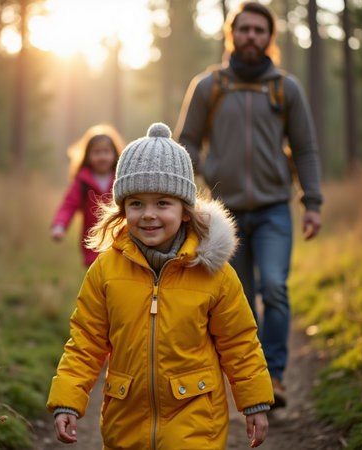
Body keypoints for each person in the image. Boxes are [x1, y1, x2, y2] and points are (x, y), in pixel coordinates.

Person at [47, 122, 274, 449]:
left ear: (185, 210)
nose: (148, 214)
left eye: (162, 203)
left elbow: (239, 341)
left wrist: (254, 402)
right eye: (136, 203)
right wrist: (67, 399)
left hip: (195, 416)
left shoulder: (213, 272)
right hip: (126, 421)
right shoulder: (105, 270)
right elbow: (85, 340)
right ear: (123, 209)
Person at [175, 1, 323, 408]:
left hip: (276, 207)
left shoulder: (285, 88)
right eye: (245, 30)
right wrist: (204, 168)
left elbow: (306, 149)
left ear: (269, 38)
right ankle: (246, 378)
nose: (252, 37)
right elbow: (185, 140)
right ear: (231, 35)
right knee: (235, 298)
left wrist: (312, 202)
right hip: (225, 214)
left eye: (260, 30)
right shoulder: (208, 86)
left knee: (274, 288)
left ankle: (274, 376)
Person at [51, 124, 124, 266]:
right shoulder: (83, 180)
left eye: (106, 152)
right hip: (93, 242)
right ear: (88, 156)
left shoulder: (121, 178)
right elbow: (69, 204)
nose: (102, 157)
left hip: (120, 240)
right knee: (96, 279)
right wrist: (59, 225)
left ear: (115, 154)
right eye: (96, 152)